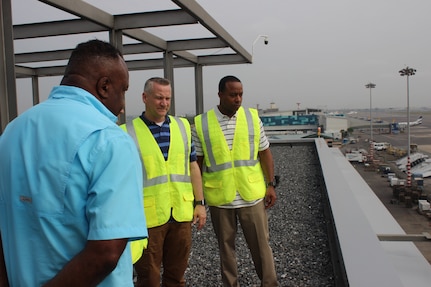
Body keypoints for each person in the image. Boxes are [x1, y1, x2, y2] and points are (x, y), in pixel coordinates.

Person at [0, 39, 148, 287]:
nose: (122, 106)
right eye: (123, 90)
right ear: (104, 86)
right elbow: (106, 253)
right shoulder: (109, 140)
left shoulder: (11, 133)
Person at [193, 75, 279, 287]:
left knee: (262, 247)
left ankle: (270, 284)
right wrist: (199, 201)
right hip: (220, 198)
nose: (238, 99)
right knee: (226, 250)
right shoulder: (201, 123)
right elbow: (197, 164)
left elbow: (265, 153)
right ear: (220, 94)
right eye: (233, 95)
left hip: (252, 195)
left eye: (240, 94)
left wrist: (270, 185)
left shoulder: (252, 118)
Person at [121, 77, 206, 287]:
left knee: (176, 277)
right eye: (159, 97)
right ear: (144, 97)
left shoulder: (184, 127)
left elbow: (193, 166)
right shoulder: (126, 133)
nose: (164, 103)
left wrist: (200, 204)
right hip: (147, 219)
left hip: (181, 213)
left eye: (168, 98)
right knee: (148, 278)